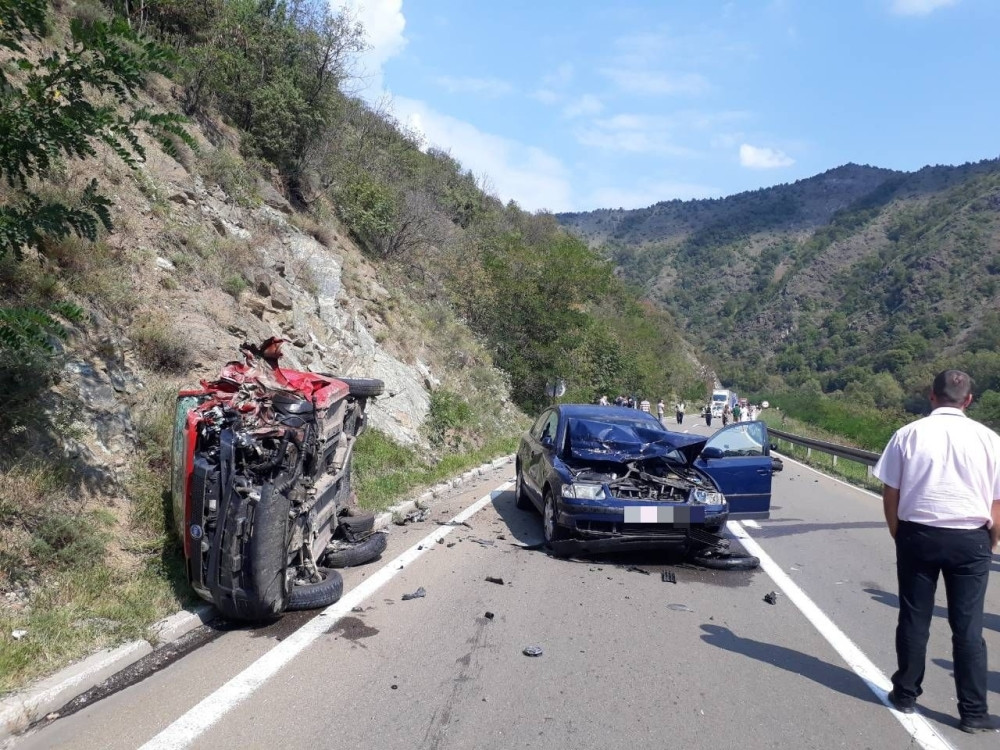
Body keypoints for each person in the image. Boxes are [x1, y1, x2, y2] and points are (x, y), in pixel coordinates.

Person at [873, 370, 1000, 733]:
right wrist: (991, 541)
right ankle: (973, 712)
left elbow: (891, 492)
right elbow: (997, 501)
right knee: (969, 627)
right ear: (969, 400)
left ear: (932, 396)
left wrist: (900, 533)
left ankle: (906, 694)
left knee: (915, 618)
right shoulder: (990, 439)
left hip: (918, 535)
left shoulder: (908, 434)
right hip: (971, 539)